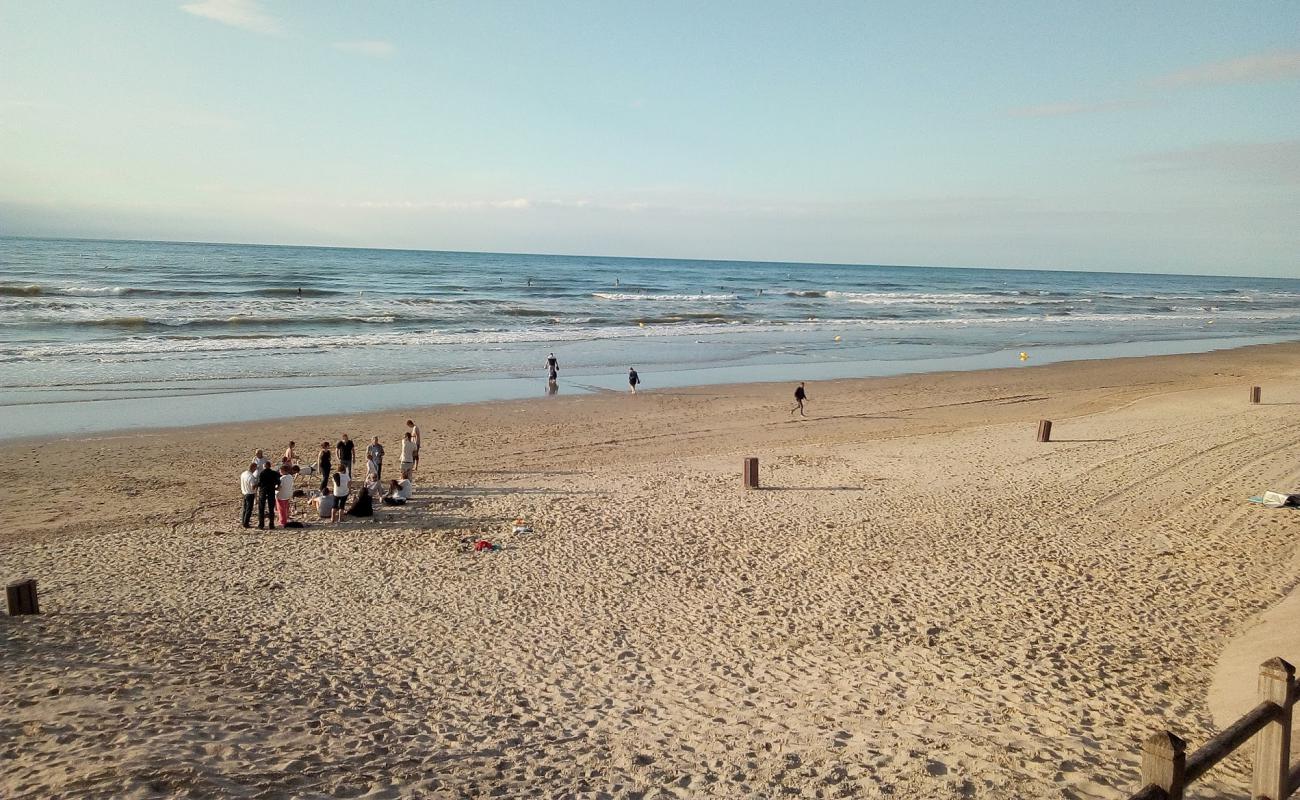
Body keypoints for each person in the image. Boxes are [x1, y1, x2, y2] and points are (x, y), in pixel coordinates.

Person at [256, 461, 281, 529]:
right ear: (270, 466)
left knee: (261, 508)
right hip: (271, 490)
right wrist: (277, 486)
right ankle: (271, 524)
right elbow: (278, 481)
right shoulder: (274, 473)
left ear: (265, 466)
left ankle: (261, 524)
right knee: (271, 508)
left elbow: (260, 483)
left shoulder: (262, 473)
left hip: (263, 491)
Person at [239, 461, 258, 528]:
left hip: (244, 492)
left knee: (245, 508)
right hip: (250, 494)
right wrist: (257, 484)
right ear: (253, 468)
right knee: (249, 509)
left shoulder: (243, 473)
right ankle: (246, 523)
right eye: (255, 469)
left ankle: (243, 521)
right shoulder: (251, 477)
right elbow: (253, 487)